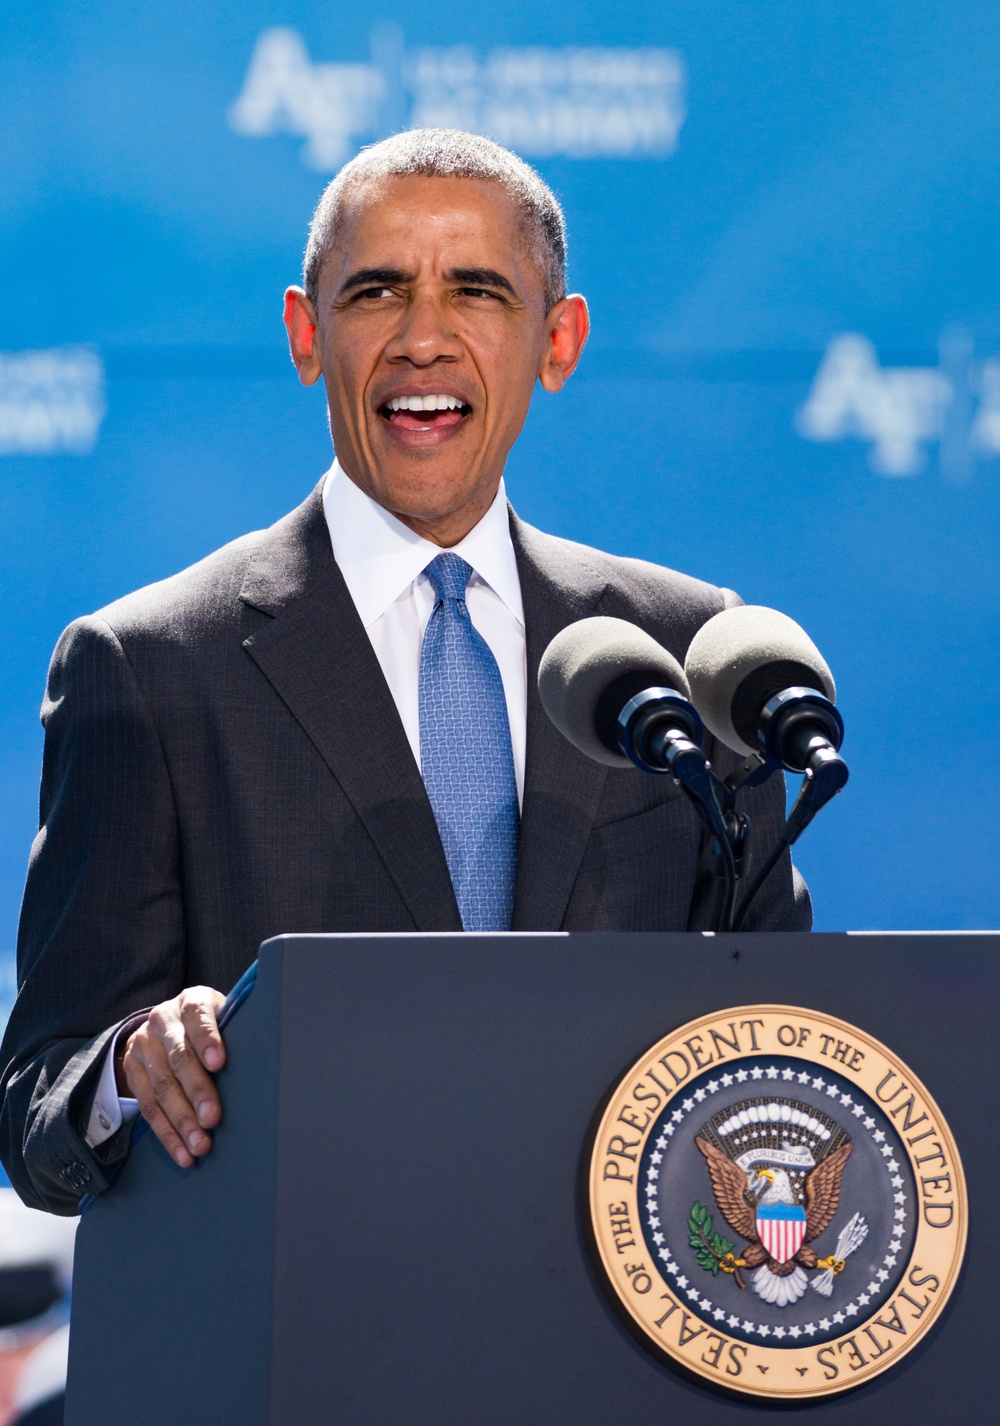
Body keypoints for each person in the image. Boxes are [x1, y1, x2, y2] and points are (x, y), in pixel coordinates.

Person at [0, 130, 809, 1217]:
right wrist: (130, 1068)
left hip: (617, 1355)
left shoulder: (684, 656)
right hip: (302, 1349)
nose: (422, 337)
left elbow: (787, 1046)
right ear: (305, 333)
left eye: (476, 291)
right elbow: (37, 1104)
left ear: (556, 342)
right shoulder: (150, 668)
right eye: (376, 292)